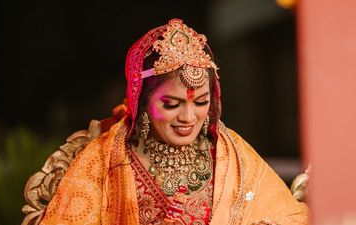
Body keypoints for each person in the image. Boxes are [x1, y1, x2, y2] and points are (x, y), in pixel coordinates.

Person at [39, 18, 309, 225]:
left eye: (201, 102)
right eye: (171, 104)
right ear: (142, 102)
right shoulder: (103, 160)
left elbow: (286, 218)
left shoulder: (232, 156)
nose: (188, 118)